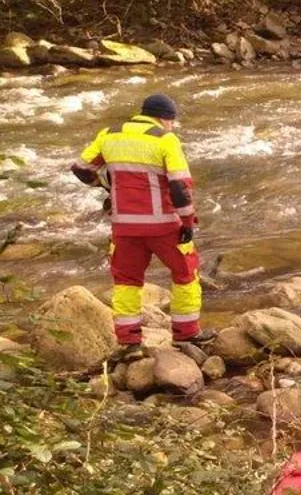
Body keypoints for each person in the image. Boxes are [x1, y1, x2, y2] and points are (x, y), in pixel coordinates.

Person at [71, 93, 203, 352]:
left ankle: (129, 343)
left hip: (124, 227)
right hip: (164, 226)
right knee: (186, 273)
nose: (172, 126)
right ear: (164, 119)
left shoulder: (109, 134)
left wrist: (107, 186)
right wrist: (188, 222)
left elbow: (80, 168)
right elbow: (179, 187)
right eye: (172, 121)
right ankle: (186, 334)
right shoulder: (166, 139)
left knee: (126, 281)